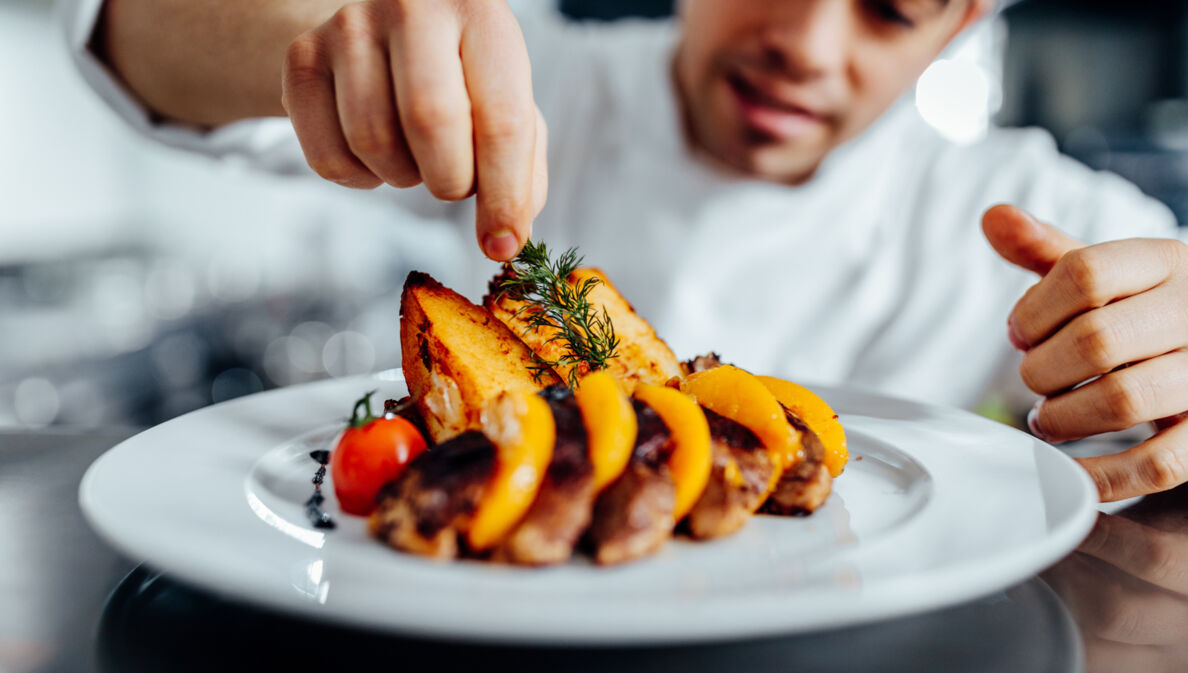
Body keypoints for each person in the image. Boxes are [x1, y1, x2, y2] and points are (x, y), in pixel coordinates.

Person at [63, 0, 1188, 502]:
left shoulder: (1033, 207)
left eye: (891, 8)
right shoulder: (548, 74)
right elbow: (127, 37)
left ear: (965, 22)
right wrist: (319, 34)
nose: (803, 43)